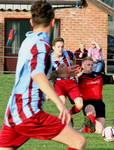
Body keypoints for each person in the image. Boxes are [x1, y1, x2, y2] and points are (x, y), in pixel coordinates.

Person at [0, 1, 86, 150]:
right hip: (28, 112)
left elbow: (32, 73)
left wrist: (56, 73)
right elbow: (37, 74)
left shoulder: (28, 40)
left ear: (31, 21)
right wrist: (61, 105)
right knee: (78, 142)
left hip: (15, 110)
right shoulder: (41, 45)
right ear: (53, 22)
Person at [78, 57, 114, 134]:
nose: (90, 66)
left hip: (99, 104)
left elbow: (112, 79)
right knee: (91, 110)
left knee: (99, 131)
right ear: (82, 66)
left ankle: (86, 128)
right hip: (87, 102)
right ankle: (89, 122)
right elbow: (70, 84)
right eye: (88, 65)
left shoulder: (98, 75)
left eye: (91, 65)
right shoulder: (80, 77)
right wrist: (76, 76)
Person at [50, 37, 83, 124]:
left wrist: (75, 72)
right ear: (53, 47)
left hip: (71, 83)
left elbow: (74, 62)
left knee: (80, 105)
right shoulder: (49, 59)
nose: (60, 49)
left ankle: (69, 114)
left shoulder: (69, 54)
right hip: (59, 84)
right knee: (62, 105)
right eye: (58, 47)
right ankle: (61, 127)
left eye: (62, 46)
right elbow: (49, 75)